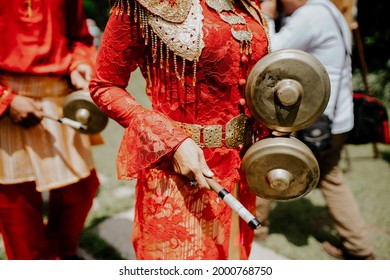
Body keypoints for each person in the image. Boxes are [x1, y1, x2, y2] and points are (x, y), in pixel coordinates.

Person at [89, 0, 272, 260]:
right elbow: (104, 85)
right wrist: (171, 140)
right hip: (178, 176)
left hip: (239, 171)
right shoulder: (144, 4)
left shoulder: (246, 3)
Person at [258, 0, 375, 260]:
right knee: (332, 178)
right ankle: (360, 249)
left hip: (318, 119)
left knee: (269, 160)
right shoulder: (329, 9)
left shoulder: (310, 15)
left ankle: (257, 225)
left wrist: (266, 15)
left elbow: (271, 48)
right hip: (337, 116)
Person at [0, 0, 100, 260]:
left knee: (80, 191)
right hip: (7, 106)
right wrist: (6, 99)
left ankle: (59, 256)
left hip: (58, 96)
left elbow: (79, 37)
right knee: (15, 206)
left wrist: (80, 65)